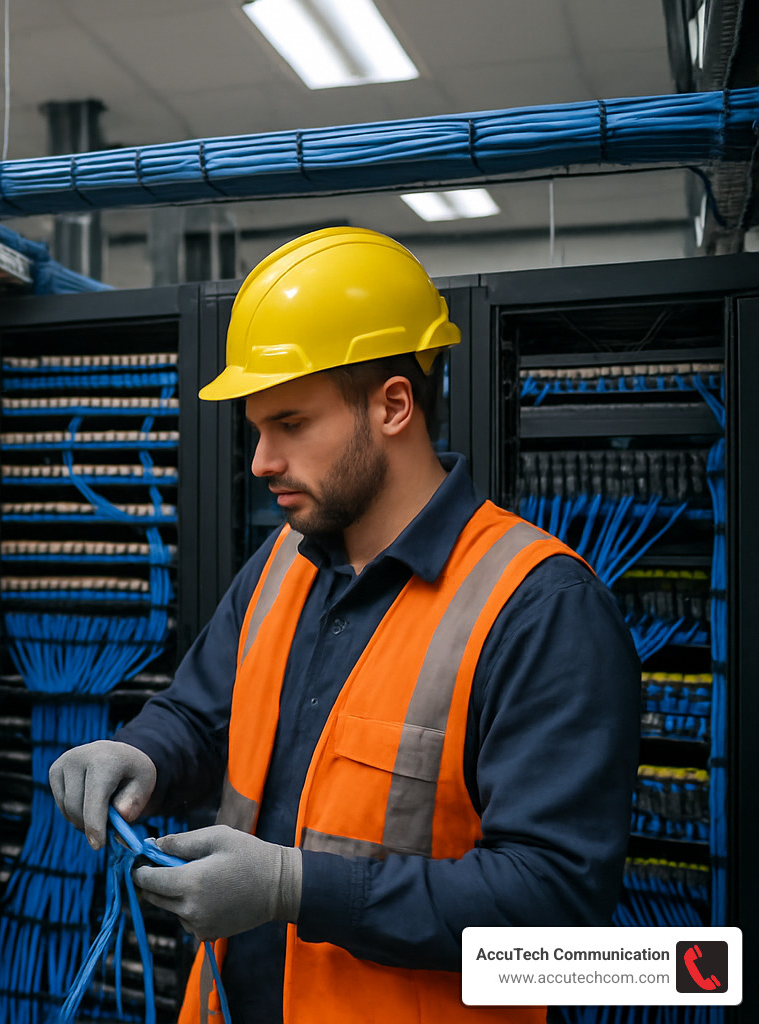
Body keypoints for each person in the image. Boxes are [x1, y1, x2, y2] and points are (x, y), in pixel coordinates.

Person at [48, 227, 639, 1023]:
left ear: (393, 404)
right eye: (259, 429)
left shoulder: (537, 608)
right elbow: (200, 716)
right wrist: (141, 755)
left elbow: (556, 907)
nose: (261, 460)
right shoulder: (280, 564)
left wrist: (297, 888)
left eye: (290, 423)